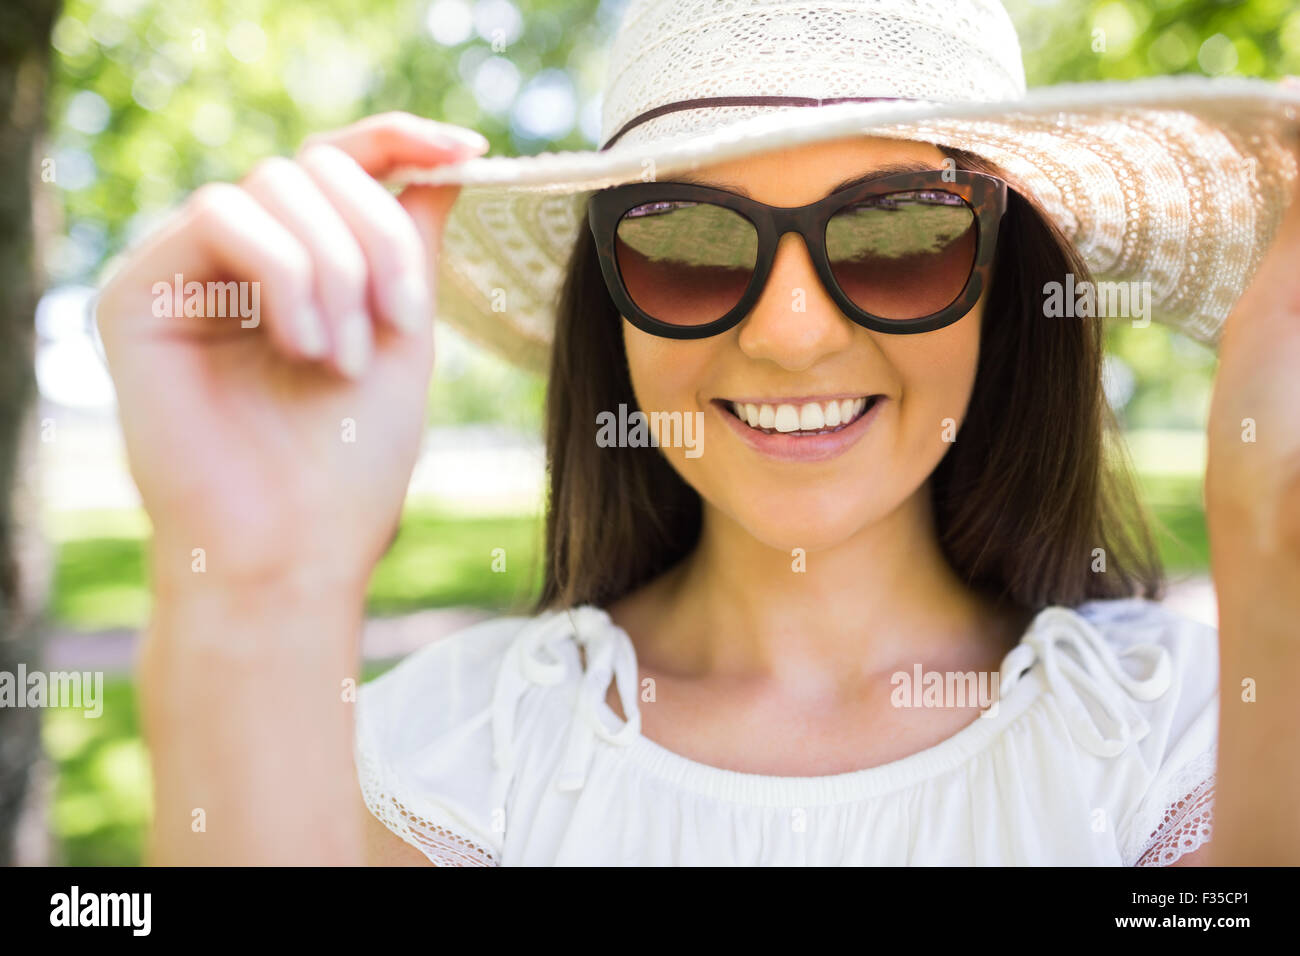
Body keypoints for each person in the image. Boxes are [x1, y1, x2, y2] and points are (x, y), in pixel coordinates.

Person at [95, 0, 1300, 865]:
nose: (788, 333)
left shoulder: (1183, 738)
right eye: (685, 241)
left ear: (1000, 276)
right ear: (605, 302)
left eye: (896, 232)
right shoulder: (453, 760)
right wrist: (255, 596)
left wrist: (1280, 554)